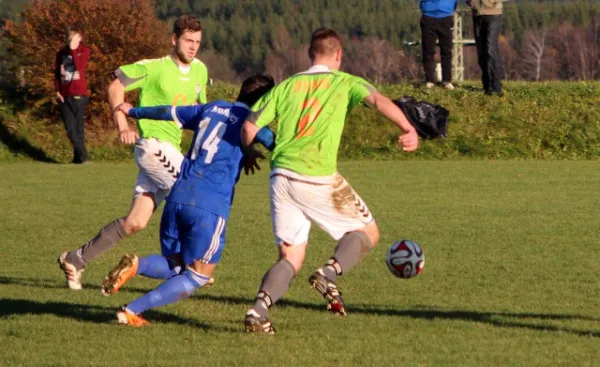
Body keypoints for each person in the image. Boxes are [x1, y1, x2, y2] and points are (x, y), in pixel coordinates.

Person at [240, 28, 419, 334]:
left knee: (292, 256)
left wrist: (248, 153)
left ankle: (258, 311)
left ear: (311, 54)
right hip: (314, 174)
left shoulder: (287, 85)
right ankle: (328, 273)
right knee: (368, 231)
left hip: (280, 175)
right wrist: (408, 128)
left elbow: (249, 125)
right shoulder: (345, 81)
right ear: (338, 55)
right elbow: (377, 100)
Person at [100, 75, 275, 326]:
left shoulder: (210, 108)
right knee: (198, 277)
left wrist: (134, 111)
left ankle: (136, 265)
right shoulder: (254, 122)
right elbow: (275, 143)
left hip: (178, 195)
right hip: (209, 206)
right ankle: (131, 310)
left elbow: (167, 112)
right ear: (264, 102)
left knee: (177, 266)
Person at [57, 15, 208, 290]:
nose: (193, 46)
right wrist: (122, 123)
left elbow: (201, 114)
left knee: (136, 222)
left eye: (197, 42)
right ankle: (194, 264)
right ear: (174, 40)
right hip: (153, 148)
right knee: (194, 193)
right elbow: (116, 86)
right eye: (188, 40)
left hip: (172, 152)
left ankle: (76, 259)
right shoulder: (153, 68)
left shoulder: (200, 71)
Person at [55, 25, 91, 164]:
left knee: (78, 128)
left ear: (79, 38)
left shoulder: (84, 51)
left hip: (79, 94)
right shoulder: (61, 53)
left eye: (74, 37)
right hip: (64, 95)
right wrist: (57, 90)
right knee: (70, 129)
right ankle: (82, 156)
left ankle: (79, 158)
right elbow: (57, 73)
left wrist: (74, 50)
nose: (71, 39)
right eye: (70, 37)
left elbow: (79, 66)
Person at [468, 0, 504, 96]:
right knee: (481, 51)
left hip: (493, 14)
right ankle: (487, 85)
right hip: (477, 14)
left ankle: (496, 86)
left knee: (490, 48)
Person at [420, 0, 457, 90]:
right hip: (428, 15)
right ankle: (430, 80)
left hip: (446, 15)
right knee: (428, 50)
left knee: (447, 50)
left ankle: (447, 81)